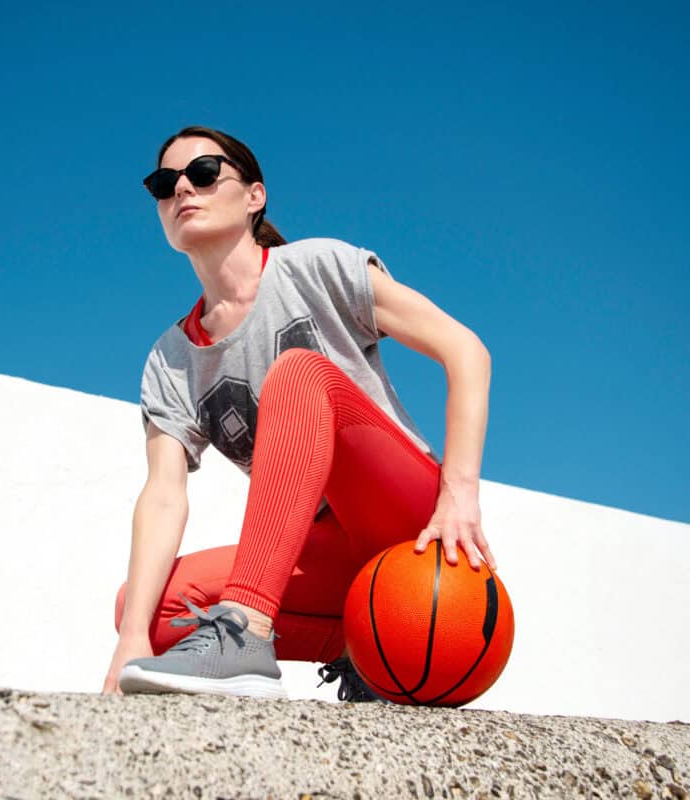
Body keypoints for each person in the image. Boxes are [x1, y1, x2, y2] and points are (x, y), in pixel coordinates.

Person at [101, 125, 495, 701]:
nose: (182, 188)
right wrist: (130, 639)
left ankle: (246, 633)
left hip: (404, 519)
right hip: (327, 557)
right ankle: (365, 651)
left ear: (254, 196)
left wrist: (459, 494)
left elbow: (466, 351)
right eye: (165, 183)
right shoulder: (171, 359)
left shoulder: (315, 267)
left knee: (298, 373)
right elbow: (163, 494)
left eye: (204, 173)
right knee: (149, 607)